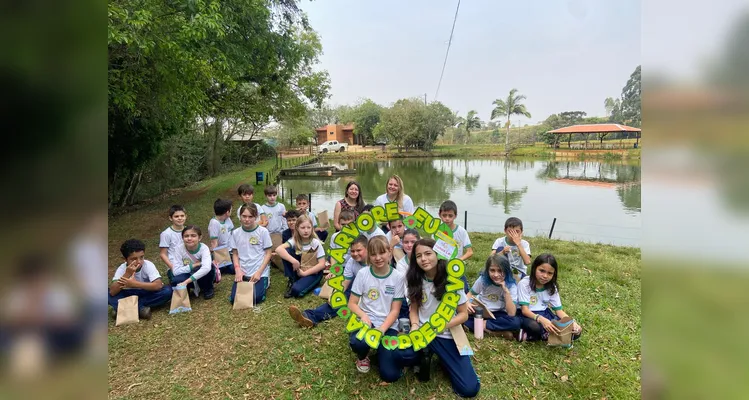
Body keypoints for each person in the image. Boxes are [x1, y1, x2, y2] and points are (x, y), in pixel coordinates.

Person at [405, 238, 480, 398]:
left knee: (469, 389)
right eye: (418, 256)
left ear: (438, 254)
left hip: (446, 334)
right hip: (423, 332)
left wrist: (441, 325)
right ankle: (424, 354)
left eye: (428, 253)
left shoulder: (452, 281)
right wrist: (415, 325)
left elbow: (463, 314)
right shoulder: (415, 278)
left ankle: (441, 359)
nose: (423, 259)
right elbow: (414, 309)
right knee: (398, 355)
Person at [347, 236, 407, 381]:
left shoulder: (398, 277)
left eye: (382, 253)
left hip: (388, 324)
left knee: (390, 375)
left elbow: (395, 311)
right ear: (369, 255)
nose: (378, 258)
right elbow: (352, 303)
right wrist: (363, 316)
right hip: (368, 321)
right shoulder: (363, 274)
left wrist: (381, 329)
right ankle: (363, 356)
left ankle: (384, 351)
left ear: (389, 253)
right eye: (373, 254)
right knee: (357, 342)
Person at [288, 234, 369, 328]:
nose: (355, 253)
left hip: (372, 293)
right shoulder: (351, 261)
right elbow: (345, 283)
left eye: (359, 250)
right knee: (338, 300)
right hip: (355, 290)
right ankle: (309, 317)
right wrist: (335, 295)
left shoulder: (374, 262)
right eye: (352, 251)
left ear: (367, 249)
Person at [517, 254, 582, 343]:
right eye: (542, 271)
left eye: (549, 273)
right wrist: (542, 320)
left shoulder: (552, 287)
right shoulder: (524, 284)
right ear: (534, 269)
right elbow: (525, 310)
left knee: (576, 332)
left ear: (554, 274)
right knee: (534, 327)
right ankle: (532, 333)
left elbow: (559, 311)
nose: (545, 276)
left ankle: (542, 335)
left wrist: (572, 323)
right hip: (528, 315)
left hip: (545, 313)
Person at [108, 239, 172, 320]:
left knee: (168, 291)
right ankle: (141, 310)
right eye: (134, 259)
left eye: (141, 257)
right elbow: (112, 292)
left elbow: (158, 285)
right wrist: (127, 274)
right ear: (125, 259)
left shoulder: (148, 265)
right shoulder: (122, 268)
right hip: (129, 294)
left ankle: (123, 309)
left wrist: (134, 284)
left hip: (146, 292)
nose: (139, 261)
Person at [464, 254, 520, 339]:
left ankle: (483, 326)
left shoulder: (511, 285)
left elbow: (511, 313)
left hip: (498, 314)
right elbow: (470, 294)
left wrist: (506, 291)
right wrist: (467, 303)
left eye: (500, 271)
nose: (496, 274)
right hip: (481, 311)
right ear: (487, 270)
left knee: (515, 322)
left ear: (506, 271)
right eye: (492, 270)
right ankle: (494, 332)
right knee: (462, 315)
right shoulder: (483, 279)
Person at [228, 204, 272, 305]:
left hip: (259, 272)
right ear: (240, 216)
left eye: (250, 217)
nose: (247, 219)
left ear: (256, 217)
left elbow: (268, 253)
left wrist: (259, 272)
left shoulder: (263, 232)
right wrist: (238, 270)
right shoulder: (235, 233)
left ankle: (266, 279)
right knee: (234, 299)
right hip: (243, 272)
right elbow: (235, 254)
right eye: (244, 216)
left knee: (256, 298)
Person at [276, 215, 326, 298]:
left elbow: (322, 264)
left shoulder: (315, 243)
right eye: (302, 228)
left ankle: (304, 282)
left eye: (308, 227)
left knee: (296, 291)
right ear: (297, 228)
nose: (306, 231)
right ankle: (292, 279)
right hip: (299, 269)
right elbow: (278, 249)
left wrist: (305, 274)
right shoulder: (294, 240)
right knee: (287, 251)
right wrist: (294, 261)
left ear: (312, 228)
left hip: (313, 272)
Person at [168, 225, 215, 300]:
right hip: (188, 273)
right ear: (182, 238)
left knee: (210, 267)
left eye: (193, 236)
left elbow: (206, 268)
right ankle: (186, 291)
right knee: (176, 280)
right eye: (186, 236)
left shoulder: (204, 248)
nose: (189, 238)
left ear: (199, 238)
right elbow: (176, 271)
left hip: (201, 277)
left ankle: (208, 288)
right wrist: (193, 265)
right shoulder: (178, 249)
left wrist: (186, 282)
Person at [437, 200, 472, 292]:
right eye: (444, 215)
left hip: (456, 267)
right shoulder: (437, 232)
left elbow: (470, 252)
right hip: (441, 267)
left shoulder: (461, 231)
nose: (447, 218)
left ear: (455, 216)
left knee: (463, 291)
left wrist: (458, 260)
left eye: (450, 216)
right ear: (439, 215)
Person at [394, 229, 420, 319]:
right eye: (406, 242)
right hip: (411, 295)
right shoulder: (401, 264)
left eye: (413, 242)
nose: (409, 245)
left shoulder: (424, 259)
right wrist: (411, 302)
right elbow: (405, 285)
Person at [263, 185, 288, 270]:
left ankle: (275, 260)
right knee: (271, 251)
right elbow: (263, 223)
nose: (272, 198)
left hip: (279, 233)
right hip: (269, 234)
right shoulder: (263, 208)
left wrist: (284, 230)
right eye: (269, 196)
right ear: (266, 196)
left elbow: (284, 220)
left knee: (280, 251)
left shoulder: (281, 206)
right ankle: (272, 260)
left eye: (274, 195)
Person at [208, 199, 234, 275]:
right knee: (232, 269)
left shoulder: (227, 219)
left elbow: (233, 232)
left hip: (231, 250)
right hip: (221, 252)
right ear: (227, 212)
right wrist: (216, 257)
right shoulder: (214, 223)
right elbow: (214, 242)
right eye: (231, 210)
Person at [159, 204, 186, 273]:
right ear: (171, 218)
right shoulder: (166, 234)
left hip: (189, 263)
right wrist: (173, 268)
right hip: (175, 266)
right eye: (176, 216)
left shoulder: (189, 231)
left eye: (182, 216)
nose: (180, 218)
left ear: (186, 216)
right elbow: (163, 254)